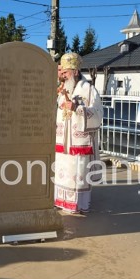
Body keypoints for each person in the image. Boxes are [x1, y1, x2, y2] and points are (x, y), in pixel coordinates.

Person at [54, 52, 103, 214]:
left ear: (75, 72)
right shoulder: (62, 90)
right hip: (63, 141)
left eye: (66, 73)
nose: (63, 76)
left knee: (78, 174)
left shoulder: (89, 90)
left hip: (79, 143)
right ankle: (62, 202)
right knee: (62, 172)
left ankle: (78, 205)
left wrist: (77, 109)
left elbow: (97, 113)